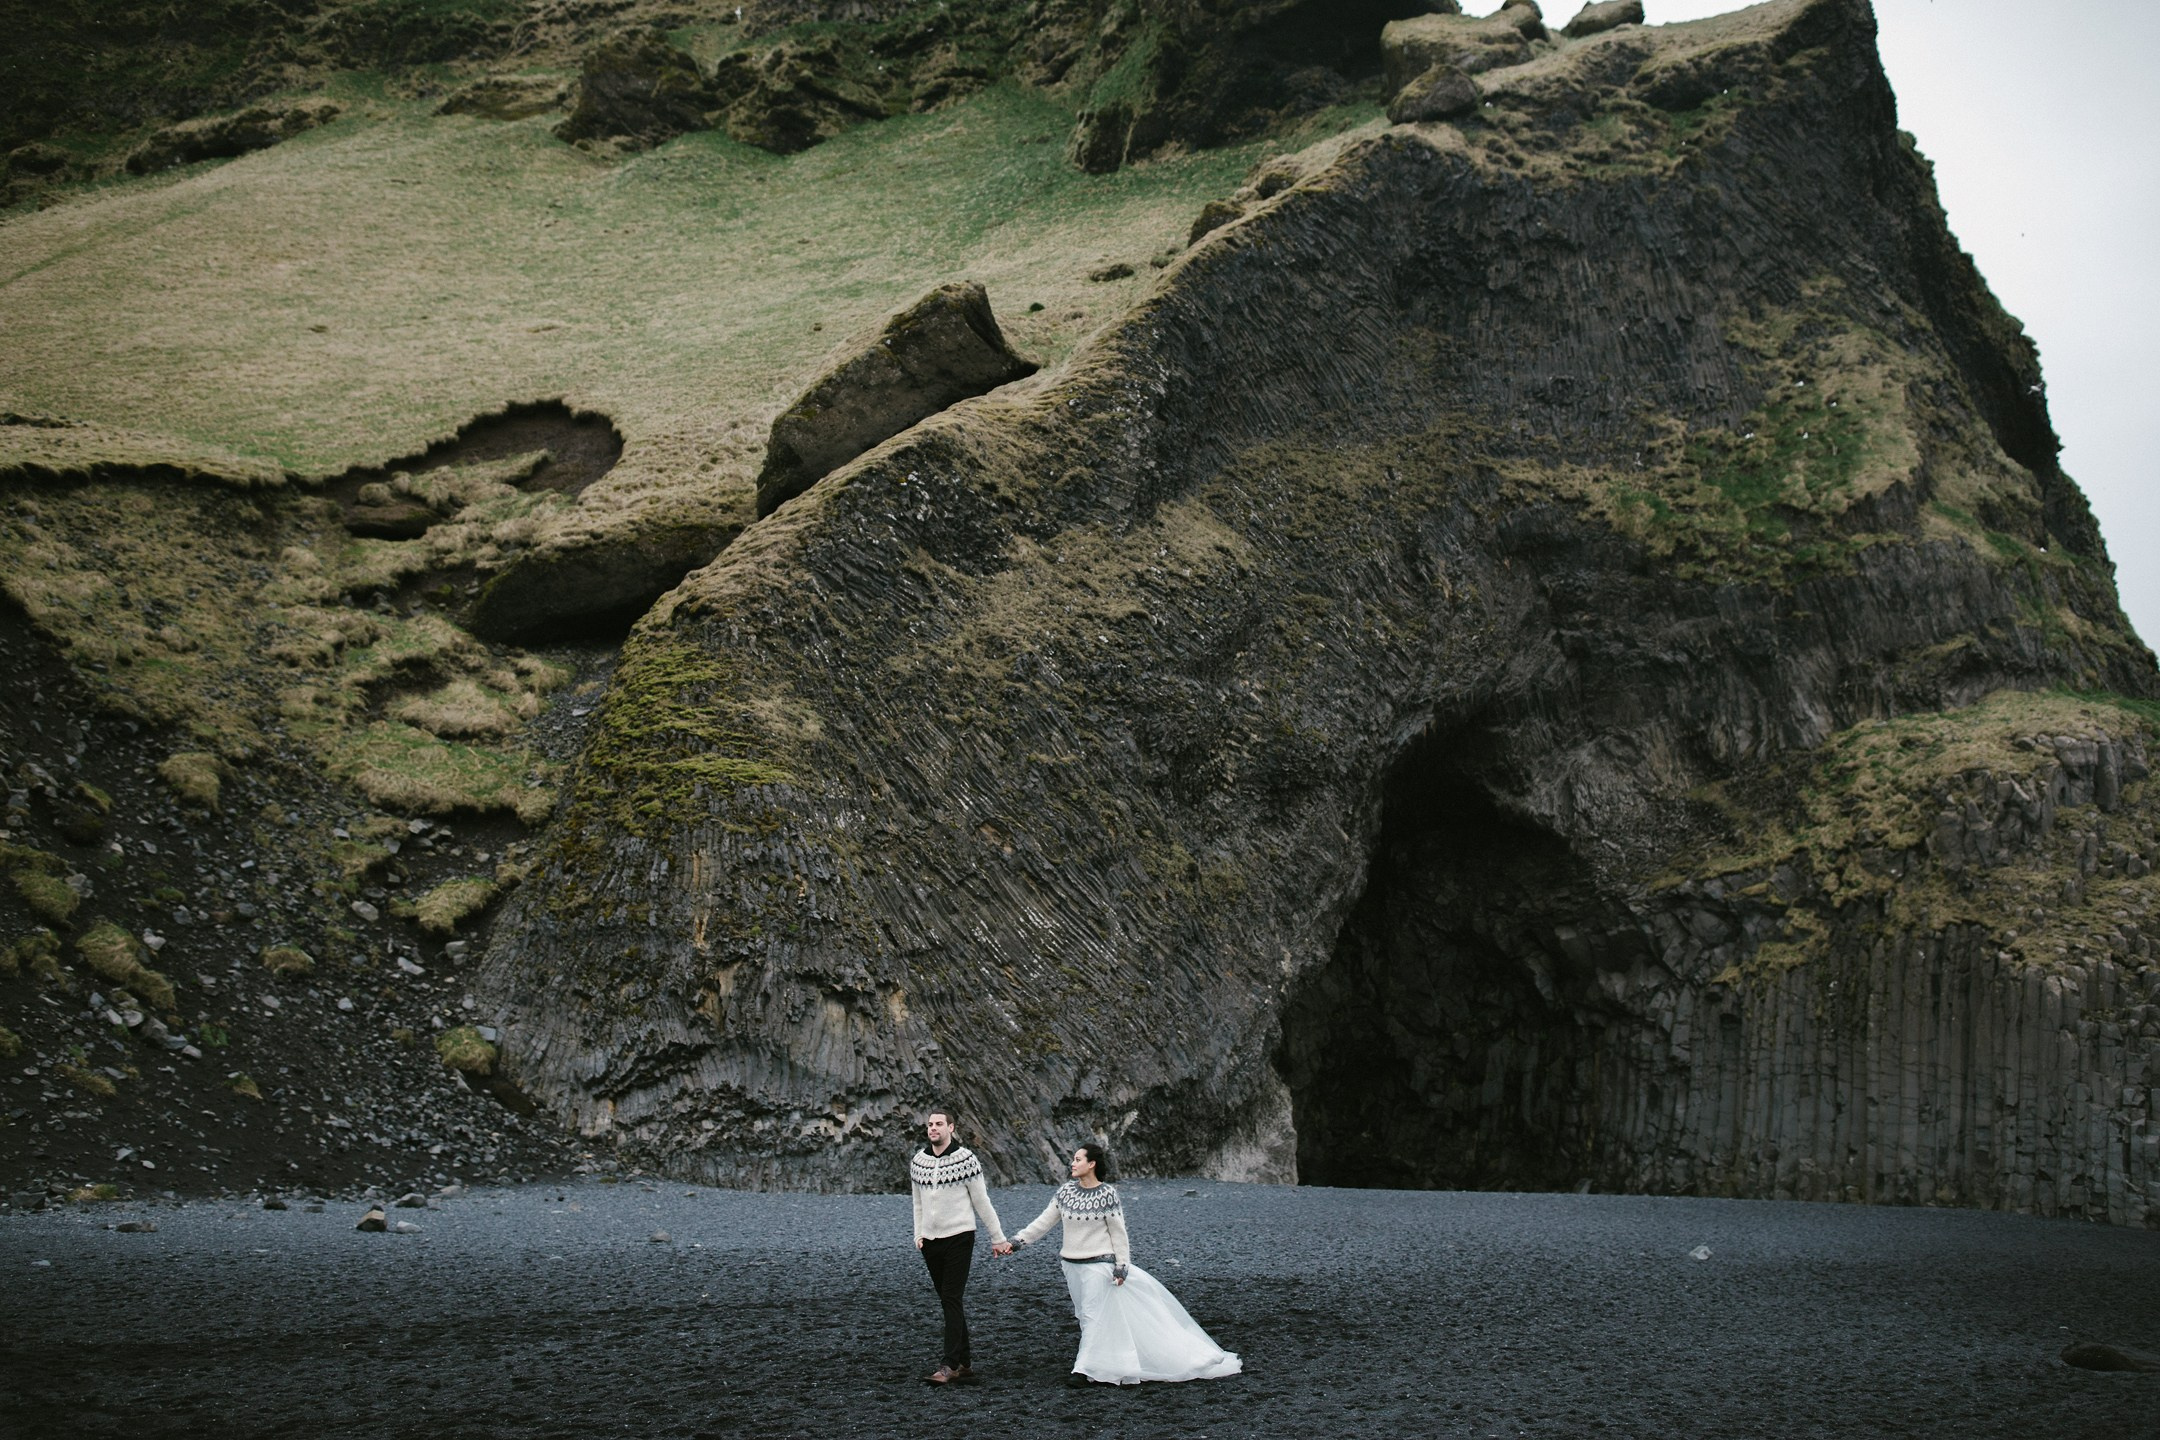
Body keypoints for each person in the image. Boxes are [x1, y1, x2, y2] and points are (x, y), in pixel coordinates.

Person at [1005, 1142, 1241, 1385]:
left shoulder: (1107, 1194)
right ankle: (1108, 1364)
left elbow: (1119, 1234)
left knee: (1094, 1316)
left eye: (1078, 1159)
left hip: (1098, 1267)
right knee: (1087, 1316)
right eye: (1073, 1160)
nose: (1072, 1164)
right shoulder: (1065, 1192)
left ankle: (1083, 1370)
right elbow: (1044, 1222)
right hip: (1071, 1266)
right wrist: (1017, 1242)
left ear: (1092, 1164)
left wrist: (1122, 1266)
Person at [909, 1107, 1012, 1385]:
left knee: (951, 1297)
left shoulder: (966, 1160)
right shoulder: (918, 1161)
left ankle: (949, 1364)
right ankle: (965, 1363)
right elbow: (917, 1202)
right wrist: (918, 1233)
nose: (933, 1128)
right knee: (948, 1299)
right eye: (930, 1124)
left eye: (939, 1124)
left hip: (960, 1237)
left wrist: (998, 1237)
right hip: (930, 1242)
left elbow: (982, 1201)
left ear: (951, 1128)